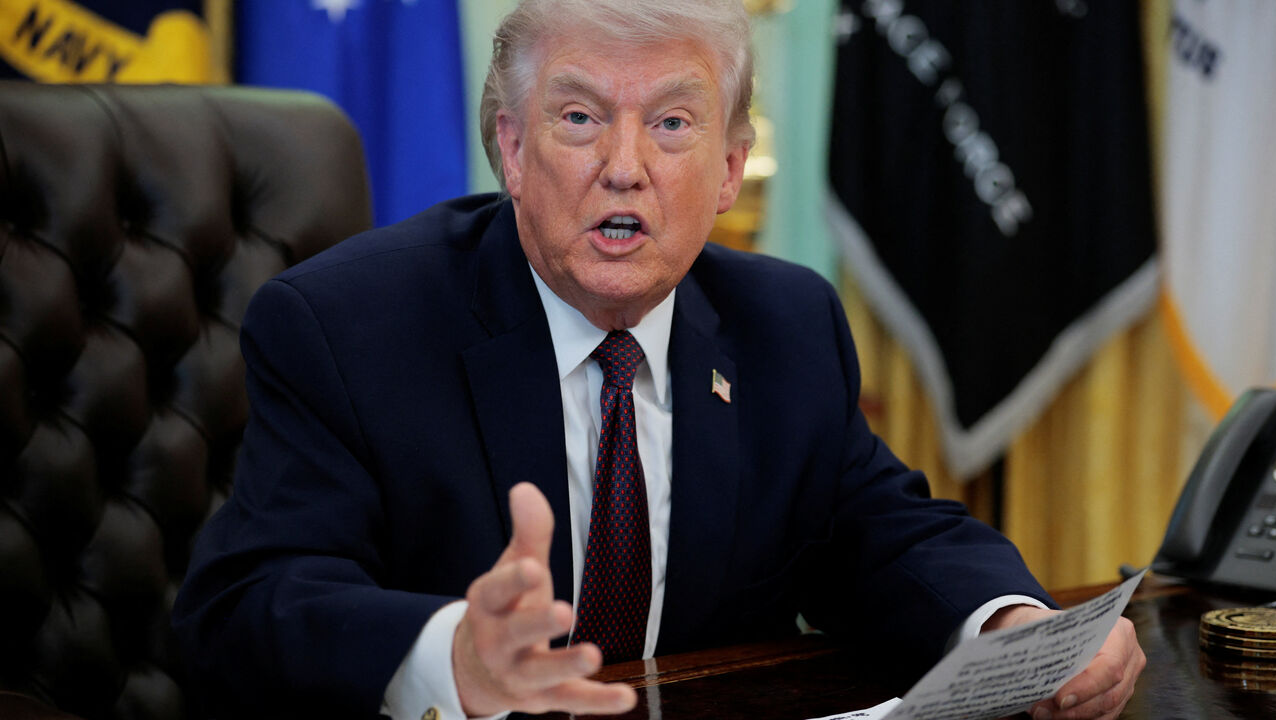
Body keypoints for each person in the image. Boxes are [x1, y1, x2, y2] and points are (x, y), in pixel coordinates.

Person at [172, 1, 1145, 719]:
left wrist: (1011, 629)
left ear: (729, 168)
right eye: (579, 117)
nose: (624, 167)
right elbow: (245, 606)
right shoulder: (348, 327)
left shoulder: (785, 324)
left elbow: (880, 532)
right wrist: (451, 656)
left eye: (672, 123)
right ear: (511, 149)